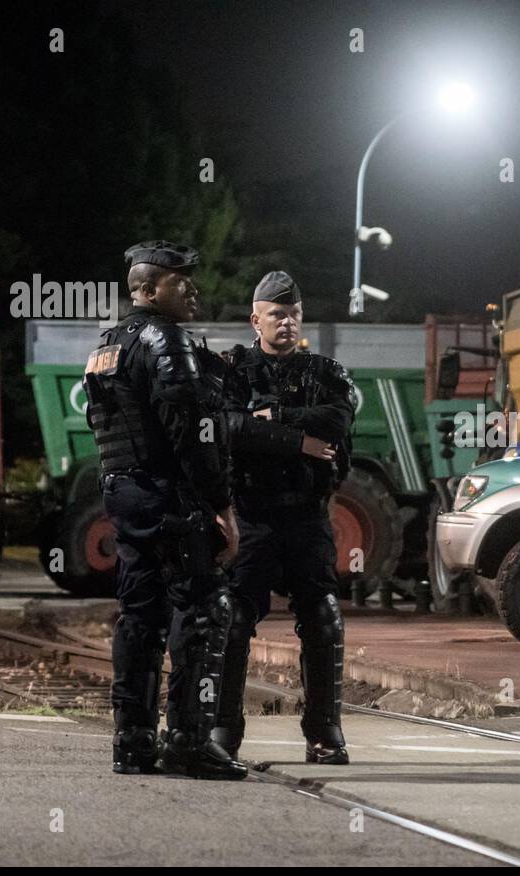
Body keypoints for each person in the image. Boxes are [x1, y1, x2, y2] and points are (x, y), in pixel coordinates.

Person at [83, 240, 249, 780]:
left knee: (140, 616)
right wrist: (221, 505)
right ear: (149, 289)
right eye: (182, 282)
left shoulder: (108, 344)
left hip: (124, 495)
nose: (194, 289)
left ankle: (131, 743)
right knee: (204, 607)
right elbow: (191, 432)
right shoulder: (165, 339)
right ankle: (188, 741)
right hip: (170, 495)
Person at [216, 270, 355, 764]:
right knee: (232, 619)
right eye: (278, 314)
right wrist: (298, 440)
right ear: (256, 319)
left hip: (306, 517)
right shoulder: (231, 369)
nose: (288, 322)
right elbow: (227, 427)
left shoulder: (325, 372)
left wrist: (271, 420)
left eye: (294, 314)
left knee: (323, 619)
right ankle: (223, 733)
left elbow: (337, 421)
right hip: (251, 515)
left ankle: (324, 733)